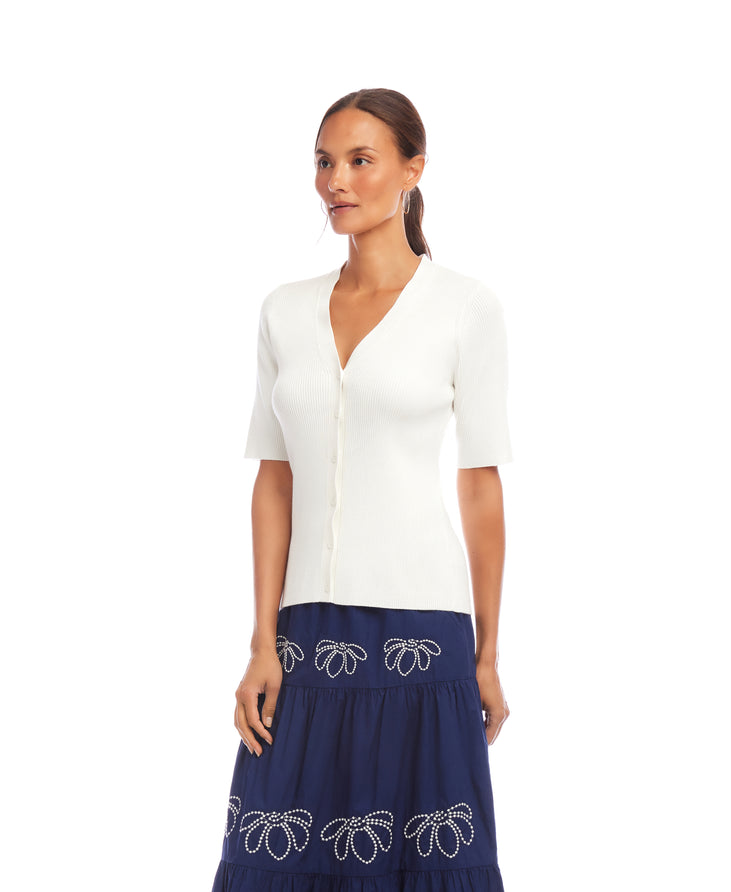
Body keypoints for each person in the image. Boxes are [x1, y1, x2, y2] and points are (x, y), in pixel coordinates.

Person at [211, 87, 513, 892]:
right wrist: (261, 641)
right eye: (324, 161)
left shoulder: (465, 308)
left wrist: (487, 655)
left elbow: (480, 487)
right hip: (304, 630)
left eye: (359, 160)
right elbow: (274, 482)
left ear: (413, 170)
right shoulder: (284, 312)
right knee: (273, 853)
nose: (335, 181)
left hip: (425, 626)